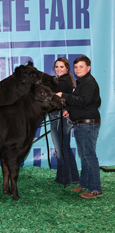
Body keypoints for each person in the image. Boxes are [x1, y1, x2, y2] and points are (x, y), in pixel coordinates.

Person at [56, 55, 102, 199]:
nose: (77, 69)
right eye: (76, 67)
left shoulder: (88, 82)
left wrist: (64, 95)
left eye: (81, 66)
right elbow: (94, 101)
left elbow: (83, 101)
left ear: (88, 68)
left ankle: (95, 189)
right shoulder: (82, 82)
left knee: (89, 156)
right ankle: (84, 184)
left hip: (87, 123)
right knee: (85, 156)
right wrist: (69, 110)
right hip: (83, 122)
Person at [48, 57, 80, 186]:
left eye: (61, 67)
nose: (58, 69)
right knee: (65, 148)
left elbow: (50, 98)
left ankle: (64, 179)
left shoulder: (62, 82)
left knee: (61, 149)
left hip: (59, 116)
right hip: (63, 116)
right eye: (56, 67)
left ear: (67, 68)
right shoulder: (66, 80)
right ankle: (74, 178)